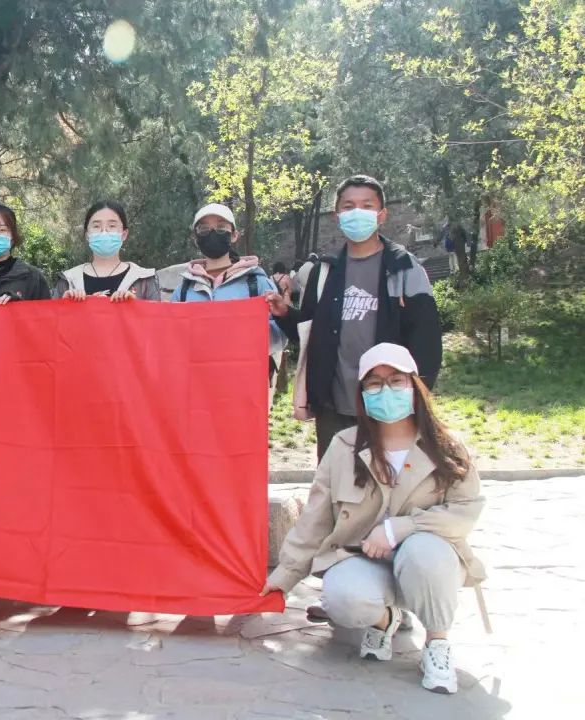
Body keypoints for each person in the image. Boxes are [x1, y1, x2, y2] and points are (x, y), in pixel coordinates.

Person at [261, 343, 484, 695]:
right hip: (362, 560)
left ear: (414, 386)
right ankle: (385, 618)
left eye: (396, 380)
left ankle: (437, 642)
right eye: (374, 383)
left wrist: (400, 529)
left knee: (424, 552)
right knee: (341, 597)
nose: (386, 391)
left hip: (428, 565)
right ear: (362, 393)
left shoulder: (447, 446)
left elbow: (465, 511)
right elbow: (315, 519)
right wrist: (284, 578)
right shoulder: (344, 446)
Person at [268, 175, 443, 460]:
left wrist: (415, 400)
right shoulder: (323, 272)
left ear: (381, 215)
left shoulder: (404, 268)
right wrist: (285, 314)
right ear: (337, 216)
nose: (357, 213)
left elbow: (427, 341)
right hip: (334, 408)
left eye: (367, 205)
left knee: (389, 481)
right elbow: (310, 332)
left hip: (389, 405)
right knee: (338, 483)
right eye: (348, 207)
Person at [171, 202, 287, 359]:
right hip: (196, 373)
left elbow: (281, 336)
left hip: (242, 372)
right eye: (204, 229)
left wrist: (243, 338)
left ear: (234, 235)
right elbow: (171, 339)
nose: (213, 233)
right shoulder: (183, 291)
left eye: (221, 227)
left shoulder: (257, 283)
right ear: (196, 238)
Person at [55, 201, 160, 302]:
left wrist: (135, 307)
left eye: (112, 226)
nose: (104, 232)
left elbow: (157, 314)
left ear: (124, 234)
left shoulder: (144, 279)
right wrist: (64, 305)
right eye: (96, 226)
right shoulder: (68, 280)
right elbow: (52, 313)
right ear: (87, 235)